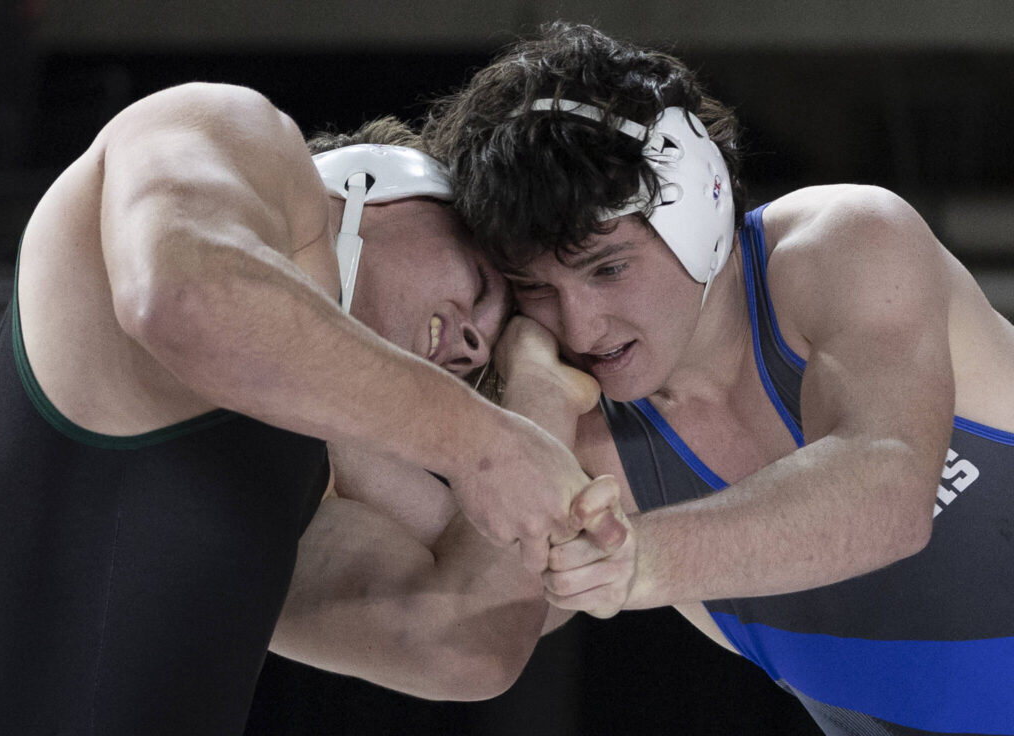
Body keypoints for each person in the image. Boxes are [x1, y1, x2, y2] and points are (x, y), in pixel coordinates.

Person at [423, 21, 1014, 736]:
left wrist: (643, 560)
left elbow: (886, 493)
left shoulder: (841, 246)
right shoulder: (579, 427)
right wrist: (533, 397)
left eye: (607, 268)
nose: (581, 329)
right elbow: (465, 643)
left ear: (699, 209)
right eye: (535, 289)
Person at [0, 82, 623, 734]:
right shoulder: (230, 126)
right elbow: (183, 295)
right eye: (481, 286)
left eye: (485, 355)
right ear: (376, 182)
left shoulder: (296, 475)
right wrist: (482, 440)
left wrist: (538, 388)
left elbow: (461, 643)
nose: (470, 344)